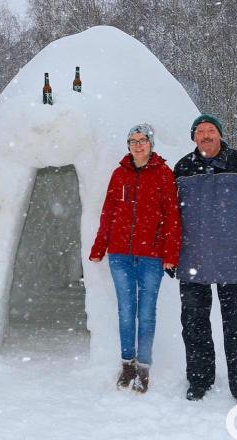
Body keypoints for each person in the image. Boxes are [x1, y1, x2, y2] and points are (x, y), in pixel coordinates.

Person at [172, 114, 237, 406]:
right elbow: (170, 219)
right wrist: (169, 255)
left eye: (211, 130)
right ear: (194, 138)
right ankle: (200, 380)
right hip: (193, 260)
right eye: (200, 131)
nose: (206, 135)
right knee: (194, 324)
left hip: (235, 260)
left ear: (220, 134)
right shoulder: (182, 168)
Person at [89, 123, 182, 393]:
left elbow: (173, 218)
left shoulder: (164, 174)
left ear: (151, 144)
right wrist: (100, 246)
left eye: (143, 140)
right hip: (120, 255)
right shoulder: (119, 175)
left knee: (146, 313)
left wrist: (170, 254)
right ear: (128, 145)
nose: (138, 145)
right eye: (133, 140)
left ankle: (144, 368)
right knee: (126, 312)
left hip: (151, 256)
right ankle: (127, 363)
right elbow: (109, 212)